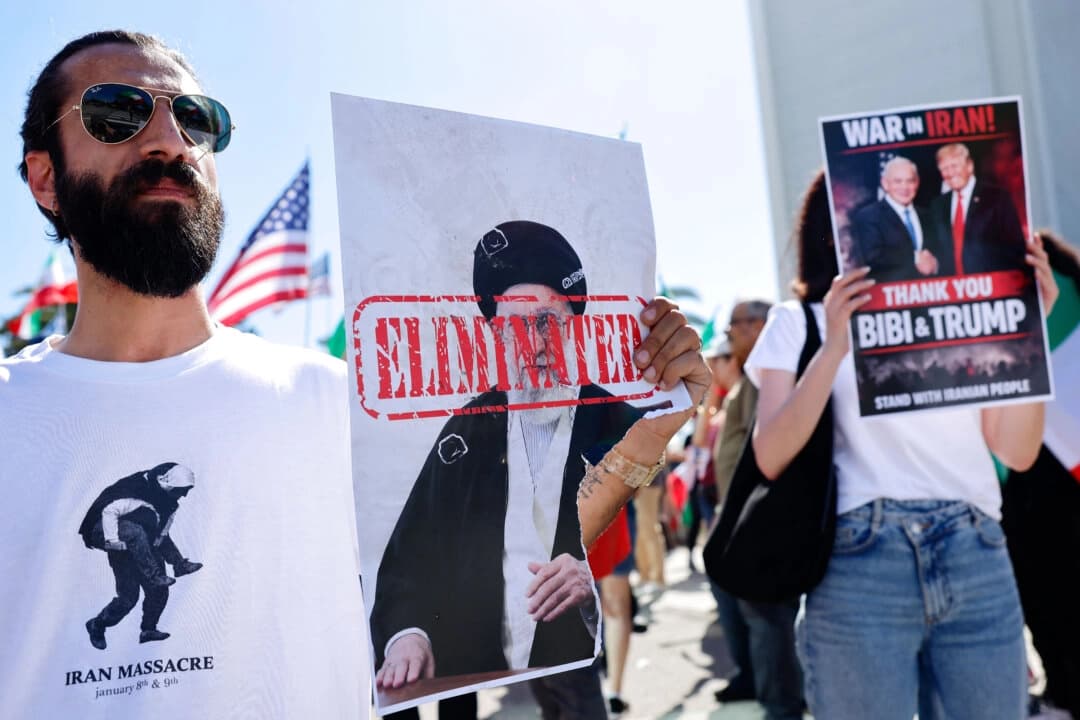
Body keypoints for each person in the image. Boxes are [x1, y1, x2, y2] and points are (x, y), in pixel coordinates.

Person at [1, 30, 368, 719]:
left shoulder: (334, 399)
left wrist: (638, 431)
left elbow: (496, 571)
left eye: (195, 119)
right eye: (117, 113)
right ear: (46, 177)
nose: (169, 140)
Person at [745, 170, 1058, 719]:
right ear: (837, 224)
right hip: (859, 563)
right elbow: (769, 454)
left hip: (976, 551)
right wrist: (835, 346)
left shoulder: (964, 311)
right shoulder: (799, 322)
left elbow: (1016, 451)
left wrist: (1028, 331)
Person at [370, 221, 712, 715]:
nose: (534, 343)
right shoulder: (468, 428)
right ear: (495, 333)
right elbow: (412, 551)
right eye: (516, 326)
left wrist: (587, 589)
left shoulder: (611, 412)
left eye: (547, 321)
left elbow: (635, 481)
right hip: (471, 657)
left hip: (567, 645)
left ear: (572, 324)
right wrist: (411, 634)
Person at [710, 300, 804, 720]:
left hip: (763, 521)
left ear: (762, 325)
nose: (731, 333)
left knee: (767, 617)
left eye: (738, 325)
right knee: (750, 612)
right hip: (740, 517)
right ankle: (760, 684)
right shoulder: (750, 380)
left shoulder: (773, 376)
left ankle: (781, 704)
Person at [1001, 229, 1080, 720]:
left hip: (1032, 479)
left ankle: (1064, 693)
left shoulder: (1046, 292)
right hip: (1043, 473)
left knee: (1048, 599)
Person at [79, 462, 203, 649]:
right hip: (115, 537)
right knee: (128, 599)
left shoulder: (167, 503)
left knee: (159, 589)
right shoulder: (136, 490)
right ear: (167, 483)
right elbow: (109, 512)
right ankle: (97, 624)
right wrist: (113, 540)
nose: (184, 495)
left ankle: (148, 630)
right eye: (181, 490)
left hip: (143, 542)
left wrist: (166, 552)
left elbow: (161, 533)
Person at [930, 142, 1027, 275]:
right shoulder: (937, 205)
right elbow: (938, 250)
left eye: (954, 166)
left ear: (969, 166)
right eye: (944, 169)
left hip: (992, 285)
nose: (950, 173)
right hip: (953, 289)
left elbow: (1016, 248)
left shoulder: (997, 197)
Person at [849, 156, 943, 282]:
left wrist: (935, 265)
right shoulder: (868, 216)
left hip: (929, 292)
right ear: (885, 183)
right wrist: (914, 258)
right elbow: (873, 256)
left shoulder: (928, 215)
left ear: (917, 183)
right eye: (898, 181)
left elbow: (941, 249)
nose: (904, 187)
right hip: (889, 294)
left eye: (910, 181)